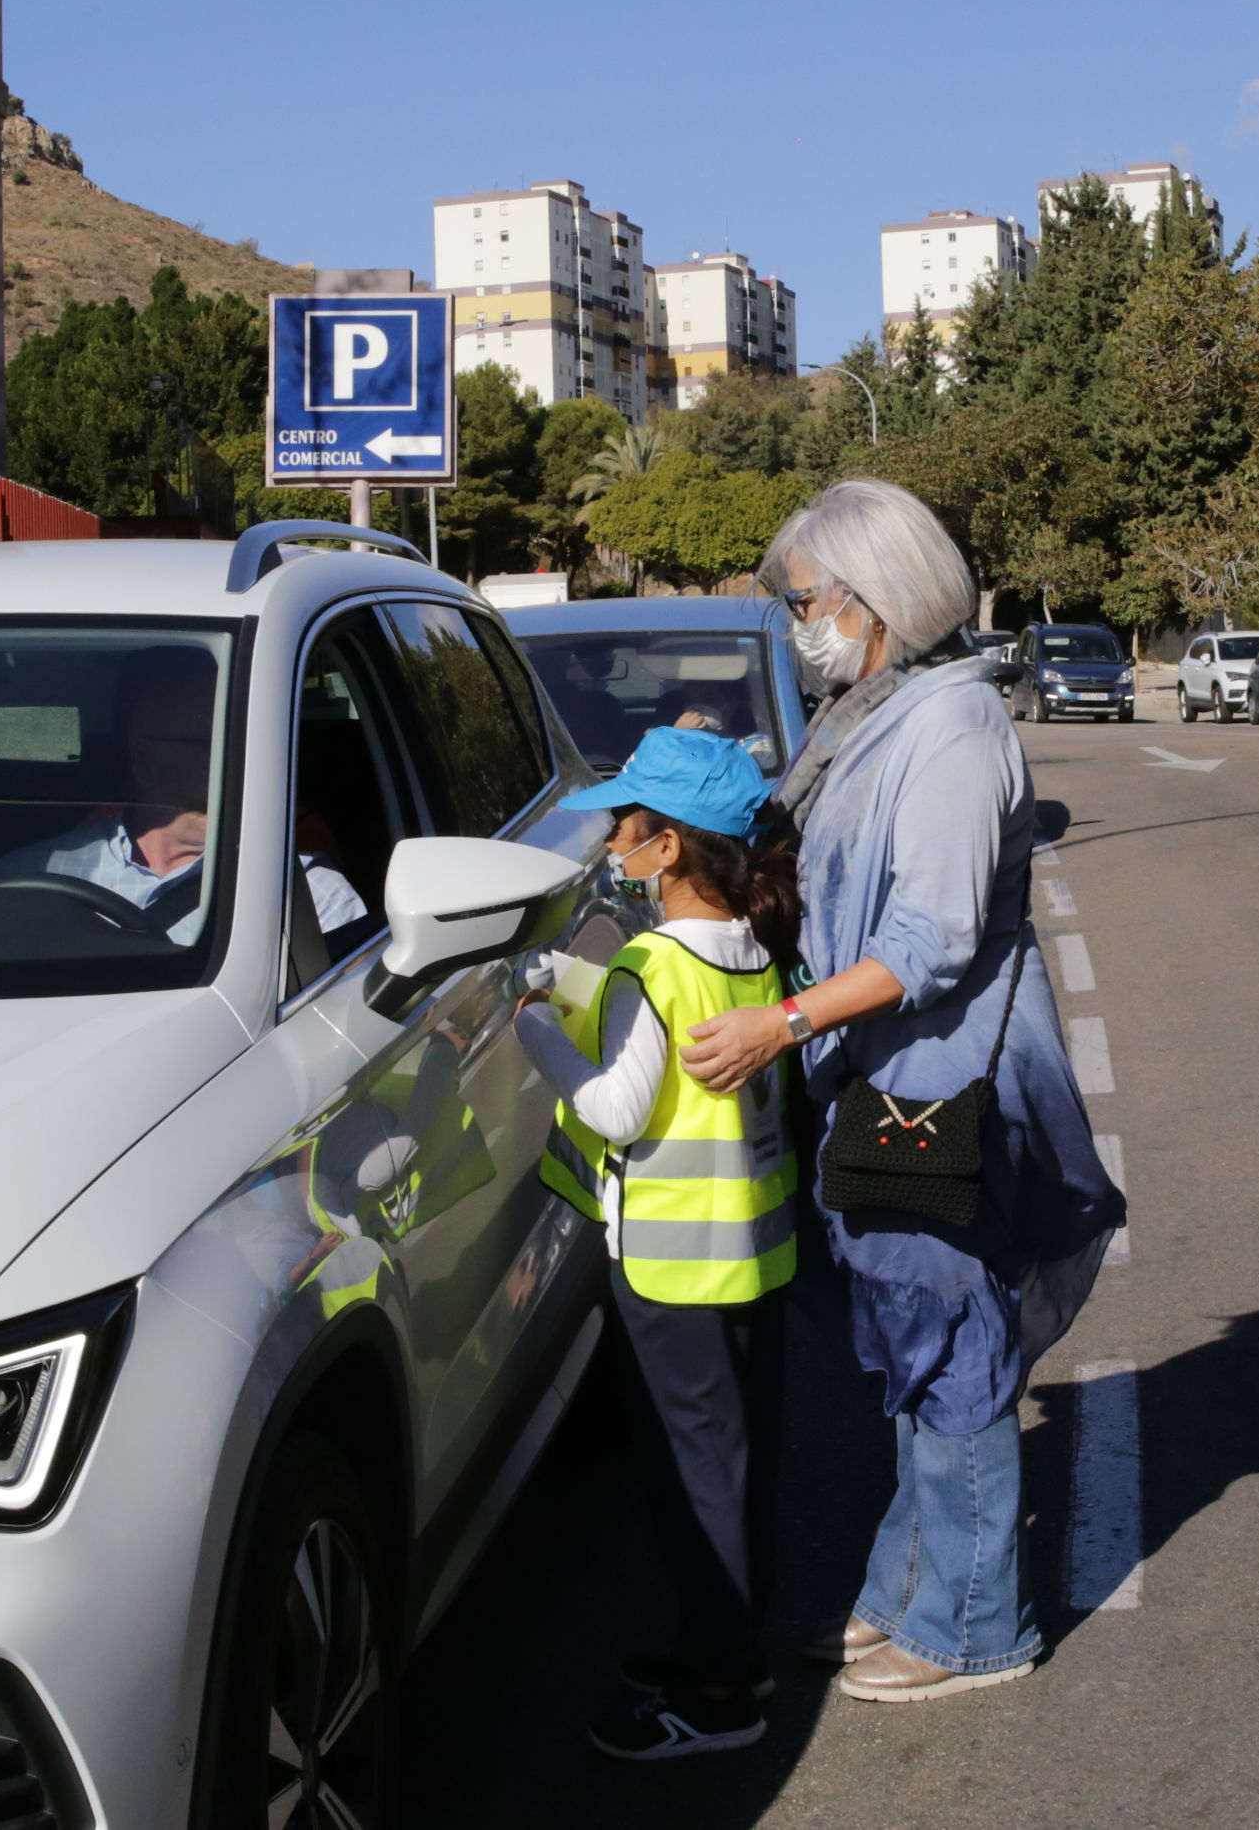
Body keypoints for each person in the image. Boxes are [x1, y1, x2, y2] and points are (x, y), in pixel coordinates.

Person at [678, 478, 1125, 1705]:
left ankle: (976, 1623)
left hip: (938, 1076)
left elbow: (926, 938)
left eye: (807, 598)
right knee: (912, 1340)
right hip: (877, 1072)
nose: (797, 620)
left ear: (875, 601)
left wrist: (780, 1022)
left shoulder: (952, 728)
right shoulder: (870, 709)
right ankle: (908, 1587)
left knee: (950, 1345)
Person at [509, 725, 802, 1761]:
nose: (613, 842)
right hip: (750, 1257)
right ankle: (727, 1646)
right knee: (734, 1463)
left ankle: (720, 1693)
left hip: (669, 1270)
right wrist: (587, 989)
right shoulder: (754, 949)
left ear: (667, 847)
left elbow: (622, 1104)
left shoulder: (648, 960)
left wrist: (533, 1023)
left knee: (691, 1475)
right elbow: (676, 1044)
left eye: (627, 826)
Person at [0, 653, 367, 944]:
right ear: (145, 759)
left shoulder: (309, 894)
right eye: (211, 743)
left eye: (242, 741)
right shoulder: (34, 876)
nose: (237, 759)